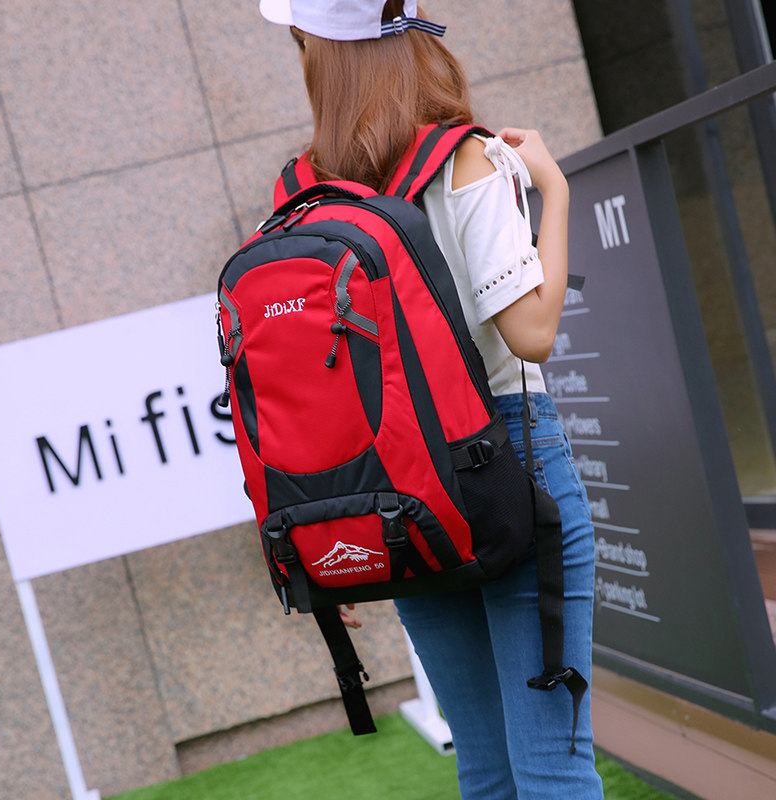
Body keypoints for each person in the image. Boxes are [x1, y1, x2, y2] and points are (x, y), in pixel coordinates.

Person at [258, 2, 604, 798]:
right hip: (511, 466)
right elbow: (533, 333)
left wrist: (326, 531)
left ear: (320, 54)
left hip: (397, 490)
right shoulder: (465, 161)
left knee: (483, 769)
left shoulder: (301, 190)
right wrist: (553, 189)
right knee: (553, 762)